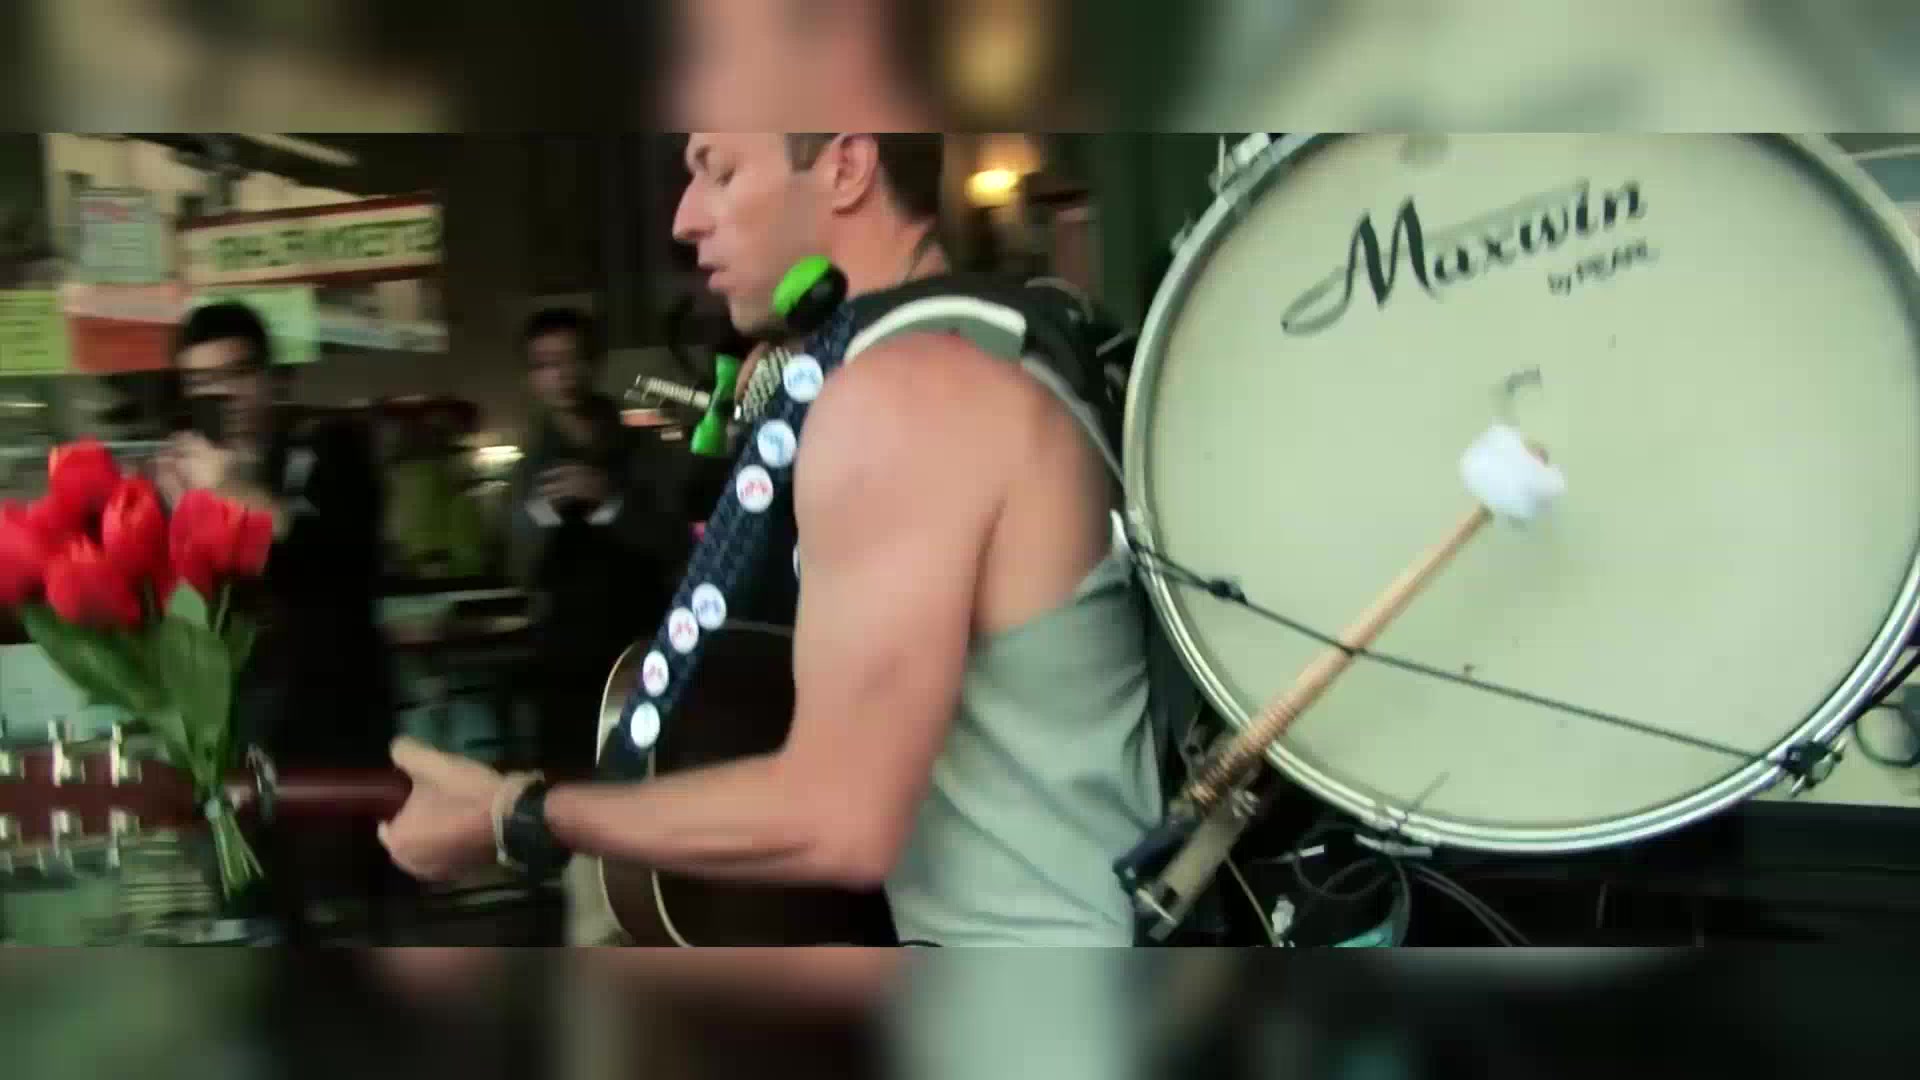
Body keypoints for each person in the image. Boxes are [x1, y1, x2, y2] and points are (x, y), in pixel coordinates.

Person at [379, 132, 1164, 947]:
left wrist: (519, 817)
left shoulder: (903, 394)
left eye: (719, 171)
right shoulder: (992, 339)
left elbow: (838, 817)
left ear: (846, 166)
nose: (685, 218)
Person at [157, 300, 395, 942]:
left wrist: (234, 491)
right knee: (251, 929)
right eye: (200, 383)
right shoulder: (180, 478)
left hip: (334, 737)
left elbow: (340, 564)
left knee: (345, 929)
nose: (221, 395)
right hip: (233, 743)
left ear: (270, 378)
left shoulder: (332, 451)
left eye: (235, 374)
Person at [507, 308, 685, 778]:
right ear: (531, 378)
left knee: (650, 773)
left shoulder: (643, 451)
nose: (561, 375)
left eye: (571, 359)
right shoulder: (527, 469)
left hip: (641, 641)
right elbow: (518, 568)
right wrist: (542, 514)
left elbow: (675, 544)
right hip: (562, 657)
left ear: (594, 363)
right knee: (570, 781)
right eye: (546, 364)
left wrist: (611, 502)